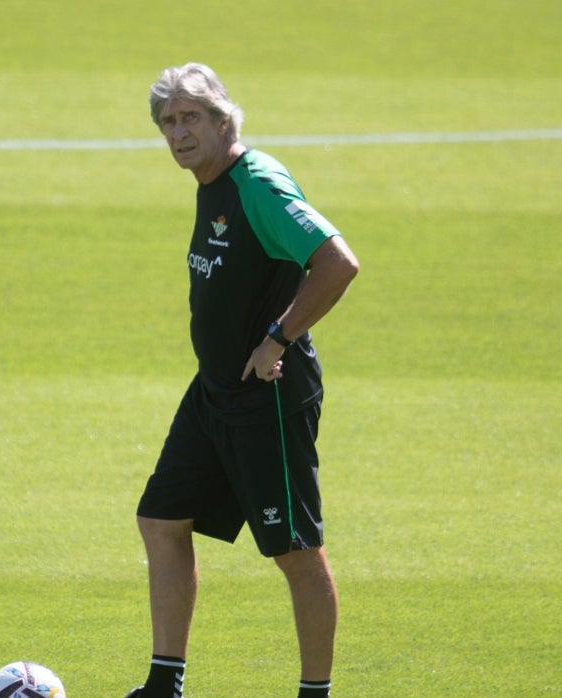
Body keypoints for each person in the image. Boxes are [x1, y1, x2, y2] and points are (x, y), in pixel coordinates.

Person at [128, 63, 360, 698]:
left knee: (295, 551)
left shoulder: (256, 184)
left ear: (222, 120)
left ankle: (315, 693)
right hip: (214, 391)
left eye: (191, 118)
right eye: (168, 122)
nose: (179, 132)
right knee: (161, 520)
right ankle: (164, 685)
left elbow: (337, 262)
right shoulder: (212, 183)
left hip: (267, 397)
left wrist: (278, 337)